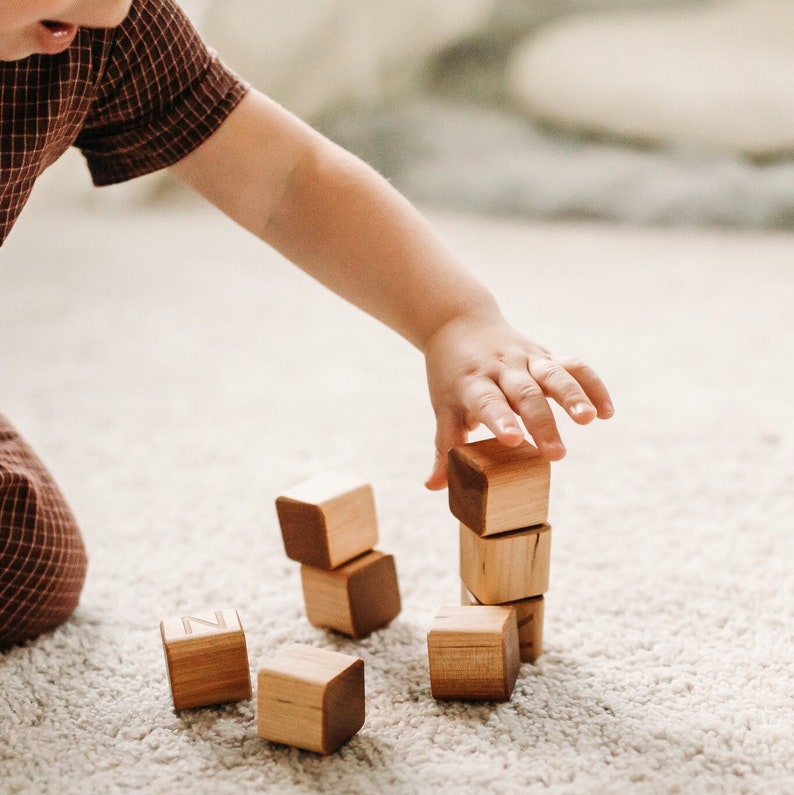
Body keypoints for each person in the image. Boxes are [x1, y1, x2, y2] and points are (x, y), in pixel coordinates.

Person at [0, 0, 614, 648]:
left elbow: (286, 178)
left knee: (31, 564)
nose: (112, 5)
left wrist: (454, 319)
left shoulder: (97, 33)